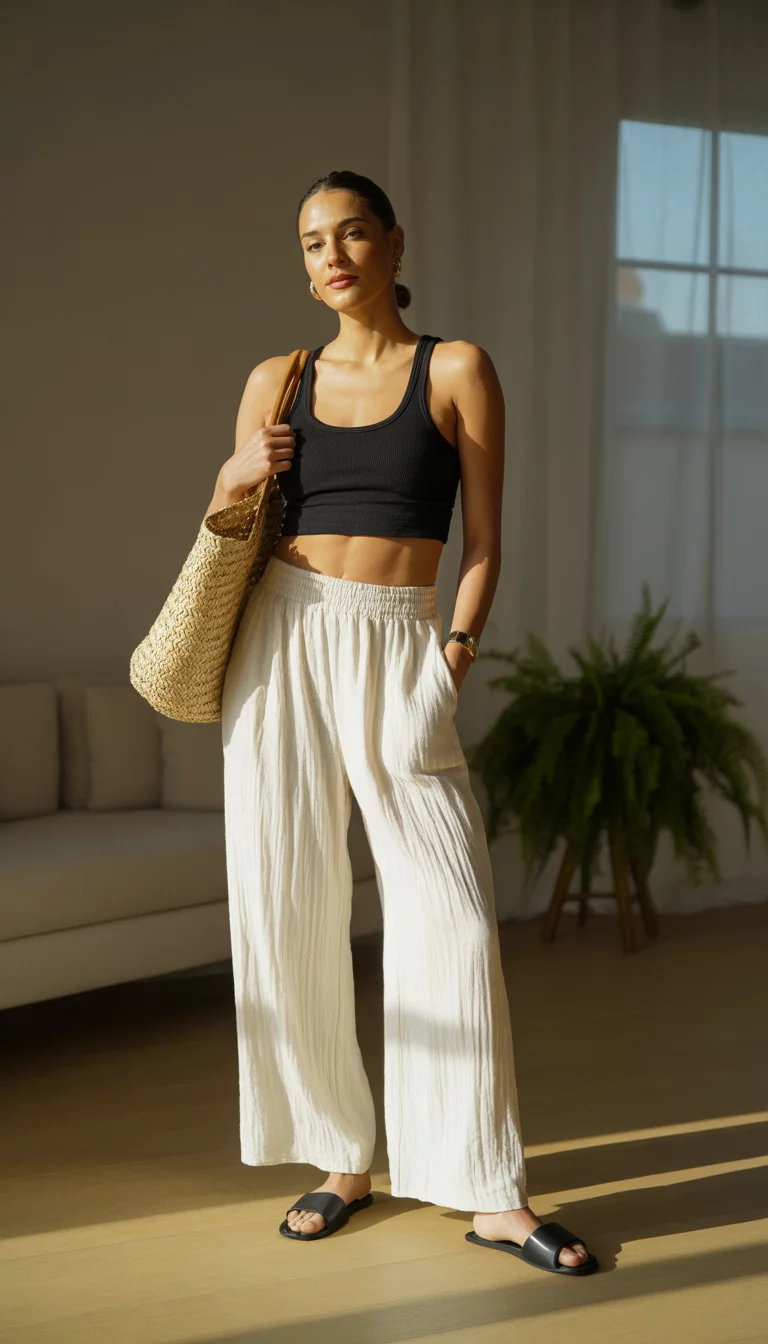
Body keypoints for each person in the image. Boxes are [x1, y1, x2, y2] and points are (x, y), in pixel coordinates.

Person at [206, 170, 597, 1276]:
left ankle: (489, 1190)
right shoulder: (275, 379)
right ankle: (340, 1156)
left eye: (352, 233)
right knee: (289, 898)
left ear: (393, 243)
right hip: (277, 641)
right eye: (310, 243)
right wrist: (232, 471)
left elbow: (484, 543)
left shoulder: (456, 368)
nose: (330, 255)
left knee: (454, 918)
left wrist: (453, 662)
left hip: (400, 644)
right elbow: (232, 529)